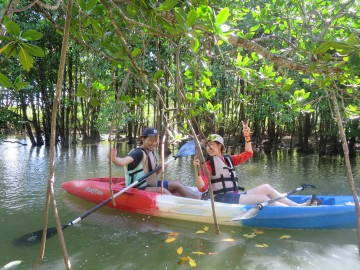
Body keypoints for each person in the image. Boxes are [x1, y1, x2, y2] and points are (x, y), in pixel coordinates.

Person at [193, 120, 318, 206]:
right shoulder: (207, 165)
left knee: (266, 188)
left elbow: (248, 153)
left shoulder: (229, 159)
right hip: (222, 199)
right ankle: (296, 210)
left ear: (220, 146)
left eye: (211, 145)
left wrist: (247, 136)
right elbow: (202, 187)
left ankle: (298, 206)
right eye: (207, 146)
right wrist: (196, 170)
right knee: (263, 199)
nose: (208, 148)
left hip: (234, 196)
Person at [110, 127, 200, 199]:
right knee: (163, 191)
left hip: (149, 185)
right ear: (143, 139)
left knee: (177, 183)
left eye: (156, 140)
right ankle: (182, 207)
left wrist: (160, 169)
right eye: (151, 140)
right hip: (138, 189)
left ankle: (201, 198)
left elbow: (152, 175)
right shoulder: (138, 153)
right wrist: (114, 159)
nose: (154, 143)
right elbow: (123, 161)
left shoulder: (152, 152)